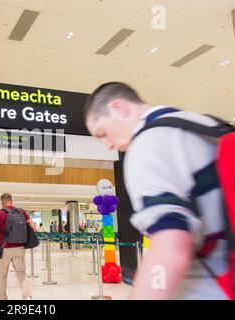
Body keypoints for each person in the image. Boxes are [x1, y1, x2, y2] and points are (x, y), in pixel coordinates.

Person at [84, 82, 231, 300]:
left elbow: (170, 247)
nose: (108, 145)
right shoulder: (206, 124)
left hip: (213, 283)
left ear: (118, 108)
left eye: (102, 133)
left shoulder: (147, 146)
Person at [0, 193, 36, 300]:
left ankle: (3, 298)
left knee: (2, 275)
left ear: (2, 202)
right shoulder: (22, 212)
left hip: (5, 249)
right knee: (21, 273)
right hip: (20, 248)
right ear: (11, 201)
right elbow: (32, 226)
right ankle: (27, 296)